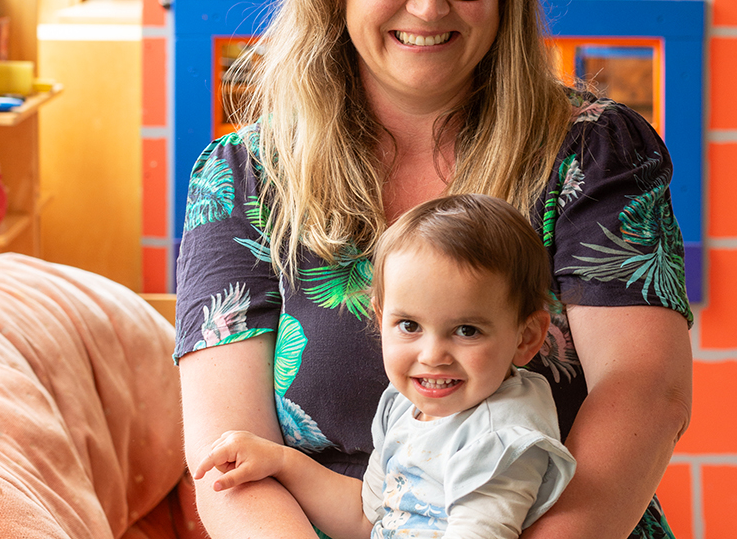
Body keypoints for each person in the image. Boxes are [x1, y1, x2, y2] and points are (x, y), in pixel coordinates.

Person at [175, 0, 693, 539]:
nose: (428, 5)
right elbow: (225, 461)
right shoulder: (238, 179)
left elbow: (647, 392)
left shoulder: (593, 151)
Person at [192, 195, 577, 539]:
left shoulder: (500, 437)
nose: (432, 355)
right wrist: (280, 461)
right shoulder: (403, 406)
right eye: (409, 326)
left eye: (466, 330)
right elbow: (368, 517)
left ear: (526, 337)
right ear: (380, 319)